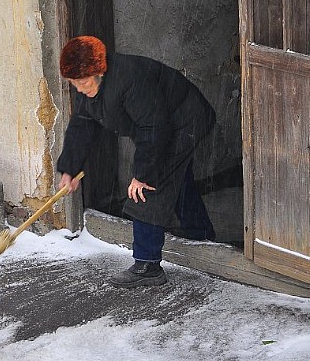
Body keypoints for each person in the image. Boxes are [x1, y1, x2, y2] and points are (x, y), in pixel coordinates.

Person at [56, 36, 216, 288]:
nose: (79, 88)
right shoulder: (88, 89)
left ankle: (147, 265)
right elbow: (81, 127)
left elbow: (153, 127)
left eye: (83, 82)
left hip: (186, 120)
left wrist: (142, 175)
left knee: (149, 187)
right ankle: (201, 234)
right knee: (175, 178)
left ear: (99, 72)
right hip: (161, 125)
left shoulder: (129, 79)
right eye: (73, 83)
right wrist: (69, 169)